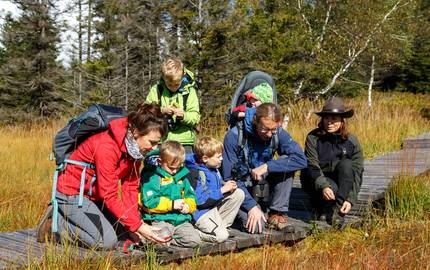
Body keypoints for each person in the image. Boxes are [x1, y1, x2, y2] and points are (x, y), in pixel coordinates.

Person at [36, 103, 170, 249]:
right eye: (153, 142)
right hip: (72, 194)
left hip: (96, 198)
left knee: (126, 233)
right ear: (136, 132)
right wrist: (139, 227)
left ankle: (76, 221)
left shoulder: (135, 151)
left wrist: (136, 225)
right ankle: (56, 223)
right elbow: (109, 194)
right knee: (105, 241)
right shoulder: (107, 145)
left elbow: (130, 189)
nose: (155, 148)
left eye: (158, 144)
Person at [222, 103, 307, 233]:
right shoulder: (234, 136)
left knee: (287, 162)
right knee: (257, 227)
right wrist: (251, 206)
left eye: (273, 130)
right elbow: (229, 177)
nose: (269, 134)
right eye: (264, 129)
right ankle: (242, 212)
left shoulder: (277, 132)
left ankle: (276, 214)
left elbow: (301, 160)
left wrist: (267, 166)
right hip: (241, 188)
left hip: (264, 184)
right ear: (255, 121)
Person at [300, 97, 364, 226]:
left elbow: (358, 172)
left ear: (342, 120)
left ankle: (338, 212)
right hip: (316, 181)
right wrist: (323, 186)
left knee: (347, 164)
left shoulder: (351, 141)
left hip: (340, 182)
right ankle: (320, 206)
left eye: (334, 119)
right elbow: (312, 165)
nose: (329, 122)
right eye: (326, 118)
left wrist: (350, 200)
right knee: (331, 188)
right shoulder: (313, 138)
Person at [140, 140, 202, 248]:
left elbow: (191, 196)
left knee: (195, 241)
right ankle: (150, 239)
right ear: (160, 161)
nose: (174, 171)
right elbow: (148, 202)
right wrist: (171, 205)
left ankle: (170, 240)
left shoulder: (182, 176)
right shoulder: (152, 176)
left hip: (180, 220)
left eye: (178, 167)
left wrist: (188, 206)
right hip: (159, 219)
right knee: (161, 244)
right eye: (171, 168)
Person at [185, 136, 245, 243]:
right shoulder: (195, 173)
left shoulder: (213, 168)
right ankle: (195, 232)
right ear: (205, 159)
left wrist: (225, 185)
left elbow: (213, 186)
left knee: (238, 193)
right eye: (218, 157)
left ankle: (222, 227)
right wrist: (222, 190)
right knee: (221, 237)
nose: (221, 159)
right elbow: (199, 201)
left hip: (213, 208)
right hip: (201, 213)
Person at [146, 57, 200, 152]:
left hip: (184, 142)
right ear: (164, 78)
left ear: (183, 76)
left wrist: (184, 116)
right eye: (169, 84)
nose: (173, 87)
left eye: (176, 84)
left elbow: (195, 117)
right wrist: (162, 111)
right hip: (160, 140)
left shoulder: (190, 92)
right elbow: (146, 111)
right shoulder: (157, 90)